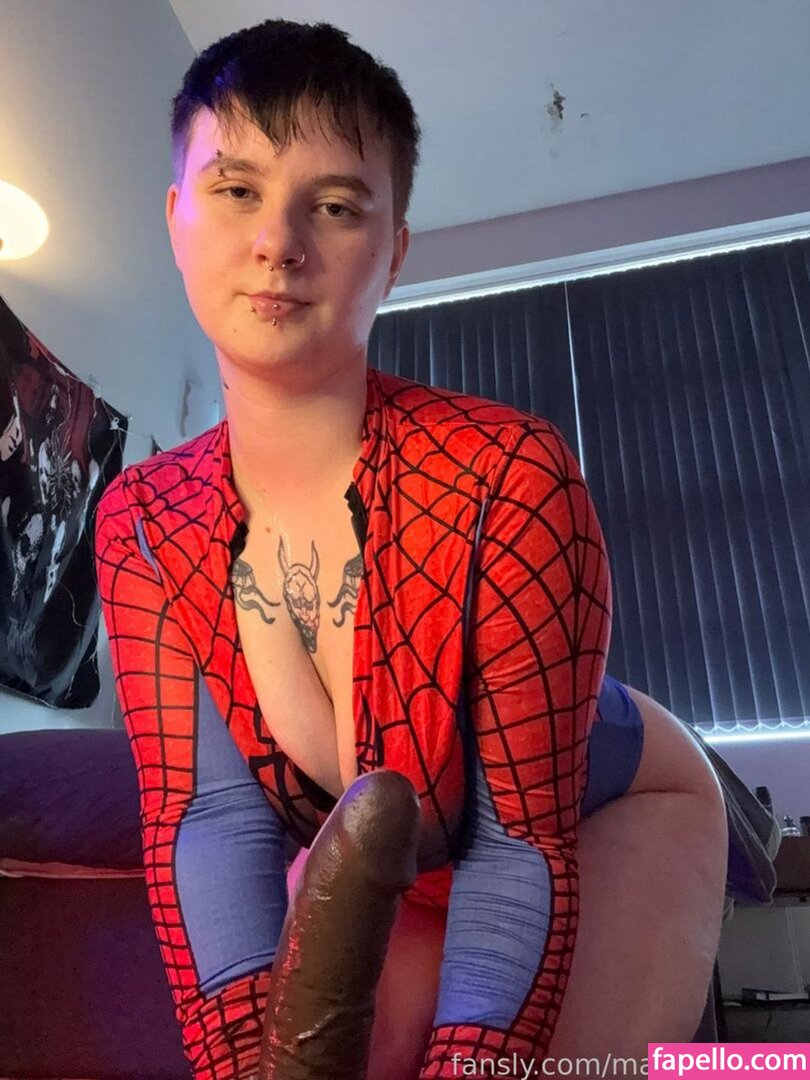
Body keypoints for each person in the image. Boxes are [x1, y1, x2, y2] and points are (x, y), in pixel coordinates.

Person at [94, 19, 727, 1079]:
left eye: (335, 206)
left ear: (391, 251)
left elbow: (519, 845)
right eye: (237, 189)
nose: (278, 242)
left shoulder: (508, 471)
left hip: (607, 807)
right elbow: (208, 822)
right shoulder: (141, 520)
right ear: (176, 217)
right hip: (398, 851)